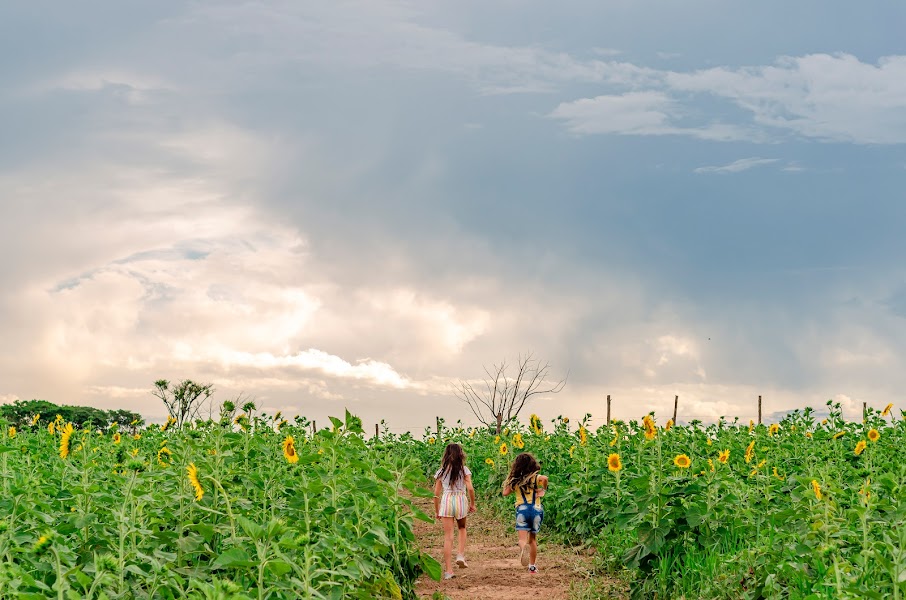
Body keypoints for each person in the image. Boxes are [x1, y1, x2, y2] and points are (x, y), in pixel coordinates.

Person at [433, 443, 476, 580]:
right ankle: (460, 555)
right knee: (462, 528)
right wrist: (473, 503)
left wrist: (437, 510)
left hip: (446, 500)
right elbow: (470, 488)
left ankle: (448, 571)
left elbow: (435, 494)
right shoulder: (464, 470)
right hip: (460, 499)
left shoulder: (441, 471)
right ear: (461, 454)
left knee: (448, 537)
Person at [502, 452, 548, 574]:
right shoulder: (535, 478)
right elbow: (545, 478)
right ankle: (532, 566)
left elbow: (505, 493)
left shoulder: (515, 480)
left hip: (522, 509)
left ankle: (523, 549)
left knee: (522, 539)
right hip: (536, 509)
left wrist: (510, 477)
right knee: (532, 540)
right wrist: (543, 489)